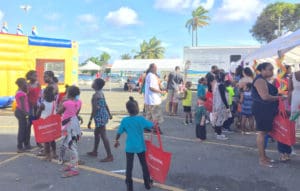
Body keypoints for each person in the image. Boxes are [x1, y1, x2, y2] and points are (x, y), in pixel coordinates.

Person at [114, 97, 153, 191]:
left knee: (129, 167)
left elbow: (119, 132)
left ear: (128, 110)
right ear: (137, 109)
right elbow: (151, 125)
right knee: (144, 164)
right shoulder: (140, 119)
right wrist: (154, 121)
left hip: (129, 147)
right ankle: (147, 183)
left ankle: (129, 186)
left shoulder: (125, 120)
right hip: (140, 146)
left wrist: (116, 141)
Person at [252, 62, 280, 167]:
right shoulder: (259, 80)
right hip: (262, 109)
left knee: (264, 133)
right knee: (262, 134)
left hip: (265, 109)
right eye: (270, 69)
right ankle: (262, 159)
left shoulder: (263, 80)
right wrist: (279, 98)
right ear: (263, 70)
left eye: (272, 69)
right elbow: (265, 97)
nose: (272, 71)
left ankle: (264, 156)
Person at [57, 85, 82, 177]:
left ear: (68, 93)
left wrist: (61, 102)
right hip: (74, 125)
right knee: (69, 145)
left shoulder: (66, 103)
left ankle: (74, 169)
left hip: (68, 126)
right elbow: (76, 113)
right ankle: (72, 165)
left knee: (71, 147)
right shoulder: (78, 102)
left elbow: (58, 112)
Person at [87, 78, 113, 162]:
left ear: (96, 85)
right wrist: (109, 114)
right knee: (96, 133)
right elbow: (105, 104)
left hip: (99, 116)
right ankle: (95, 151)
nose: (92, 83)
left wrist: (90, 121)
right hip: (103, 114)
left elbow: (94, 109)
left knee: (103, 135)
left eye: (93, 82)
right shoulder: (101, 93)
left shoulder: (95, 96)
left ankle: (109, 155)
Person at [36, 86, 57, 161]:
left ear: (45, 95)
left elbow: (38, 114)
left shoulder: (43, 104)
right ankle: (54, 153)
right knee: (52, 140)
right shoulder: (54, 102)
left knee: (46, 141)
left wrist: (37, 113)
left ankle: (48, 156)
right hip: (52, 122)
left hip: (45, 123)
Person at [144, 63, 165, 134]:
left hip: (149, 100)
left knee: (149, 115)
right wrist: (161, 92)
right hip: (153, 100)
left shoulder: (148, 75)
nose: (156, 69)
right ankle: (156, 129)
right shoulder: (152, 76)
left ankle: (146, 128)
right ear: (152, 68)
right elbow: (151, 87)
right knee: (156, 116)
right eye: (156, 68)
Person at [26, 70, 41, 148]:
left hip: (37, 107)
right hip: (30, 107)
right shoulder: (27, 85)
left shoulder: (38, 84)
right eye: (34, 75)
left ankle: (38, 142)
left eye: (36, 75)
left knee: (37, 125)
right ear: (30, 76)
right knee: (28, 125)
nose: (36, 77)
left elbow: (40, 95)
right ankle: (27, 143)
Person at [212, 71, 229, 140]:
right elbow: (223, 97)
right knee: (220, 119)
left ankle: (217, 132)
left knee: (218, 118)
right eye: (225, 76)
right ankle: (219, 134)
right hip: (220, 104)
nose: (226, 77)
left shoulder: (217, 84)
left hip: (217, 104)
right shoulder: (221, 85)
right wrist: (227, 106)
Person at [14, 78, 30, 152]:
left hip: (20, 111)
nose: (26, 84)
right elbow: (22, 105)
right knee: (22, 129)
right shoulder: (21, 93)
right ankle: (19, 147)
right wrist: (26, 114)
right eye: (25, 83)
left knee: (24, 129)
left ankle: (23, 145)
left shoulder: (19, 91)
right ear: (22, 84)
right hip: (21, 112)